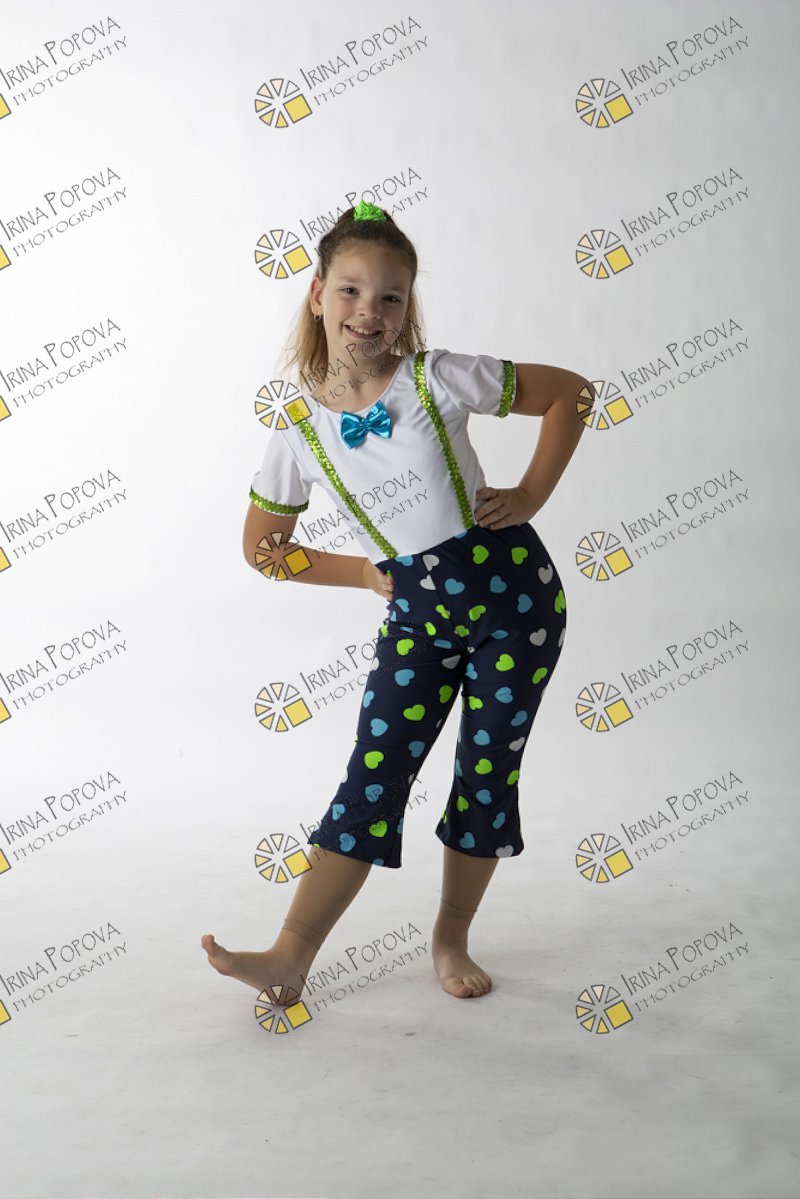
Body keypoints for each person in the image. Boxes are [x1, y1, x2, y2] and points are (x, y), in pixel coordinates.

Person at [202, 200, 592, 1003]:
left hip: (517, 603)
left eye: (390, 296)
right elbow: (263, 546)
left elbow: (572, 394)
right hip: (417, 613)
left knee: (486, 769)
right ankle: (289, 955)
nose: (368, 311)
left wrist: (530, 493)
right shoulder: (298, 426)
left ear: (408, 306)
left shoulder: (436, 376)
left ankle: (451, 936)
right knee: (373, 774)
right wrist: (360, 573)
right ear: (318, 295)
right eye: (350, 291)